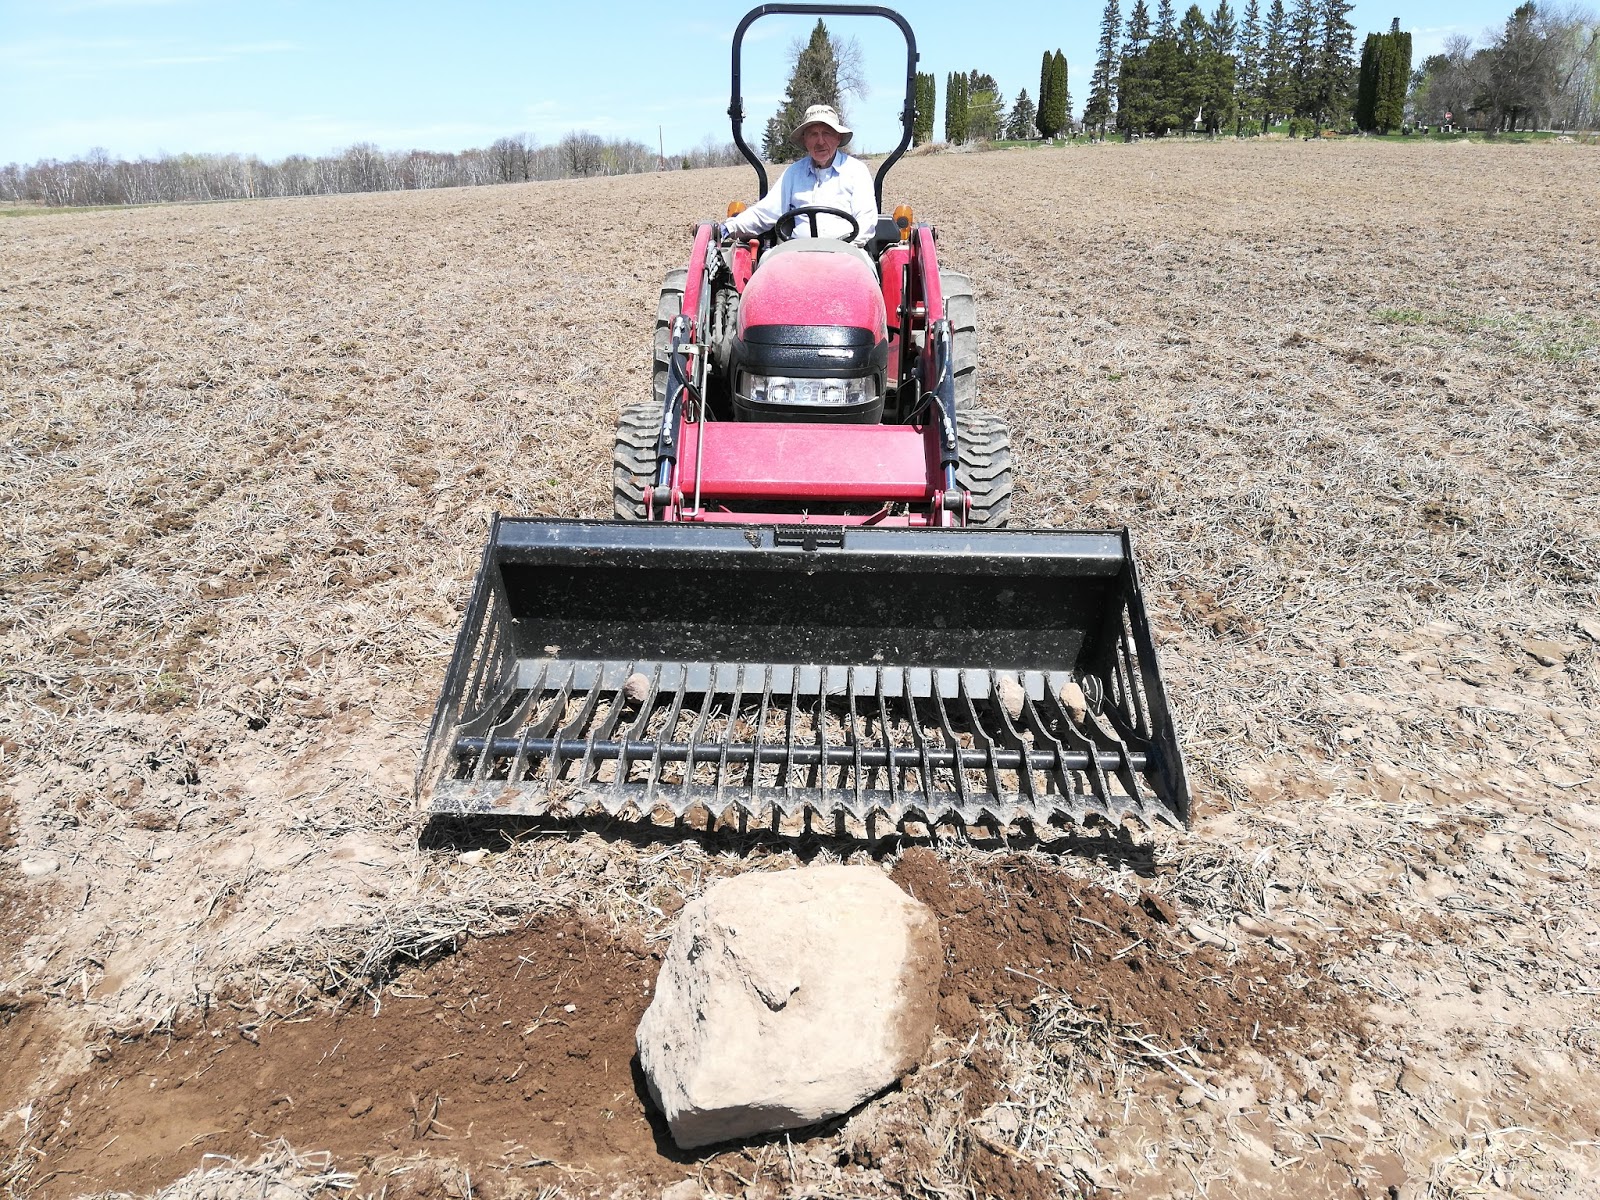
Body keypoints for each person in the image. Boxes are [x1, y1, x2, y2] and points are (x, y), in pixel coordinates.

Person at [720, 105, 878, 247]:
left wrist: (850, 249)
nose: (820, 141)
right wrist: (728, 228)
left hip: (847, 253)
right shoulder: (794, 173)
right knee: (766, 264)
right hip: (797, 255)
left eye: (826, 133)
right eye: (813, 134)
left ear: (838, 137)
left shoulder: (856, 171)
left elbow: (866, 219)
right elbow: (766, 211)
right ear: (805, 140)